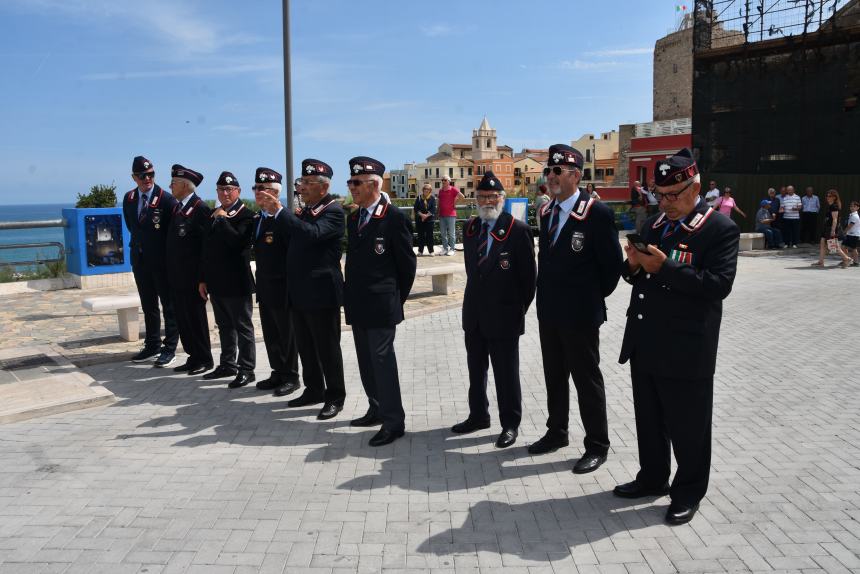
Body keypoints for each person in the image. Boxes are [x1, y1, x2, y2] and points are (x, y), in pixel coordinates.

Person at [614, 148, 739, 526]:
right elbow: (636, 277)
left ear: (695, 186)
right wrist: (633, 266)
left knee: (689, 427)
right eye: (660, 195)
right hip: (646, 340)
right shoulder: (653, 225)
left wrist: (663, 268)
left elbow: (718, 285)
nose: (665, 202)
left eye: (673, 194)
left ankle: (687, 492)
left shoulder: (719, 229)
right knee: (649, 421)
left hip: (687, 347)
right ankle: (652, 477)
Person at [530, 144, 622, 474]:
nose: (551, 177)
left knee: (587, 380)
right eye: (548, 171)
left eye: (558, 171)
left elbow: (612, 268)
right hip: (550, 312)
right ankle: (557, 432)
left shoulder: (596, 213)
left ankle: (597, 444)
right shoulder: (546, 211)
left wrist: (588, 299)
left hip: (581, 315)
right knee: (555, 377)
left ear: (576, 176)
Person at [452, 171, 536, 448]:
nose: (488, 201)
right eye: (482, 196)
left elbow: (528, 281)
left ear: (503, 198)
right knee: (476, 371)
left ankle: (510, 424)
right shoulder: (472, 228)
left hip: (504, 316)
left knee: (506, 375)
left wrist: (515, 310)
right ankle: (478, 416)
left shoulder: (518, 230)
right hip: (474, 315)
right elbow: (472, 271)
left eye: (493, 196)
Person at [260, 163, 347, 419]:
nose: (302, 186)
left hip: (321, 294)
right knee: (306, 347)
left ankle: (335, 396)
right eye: (302, 181)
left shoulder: (332, 211)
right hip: (298, 292)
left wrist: (281, 212)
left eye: (308, 182)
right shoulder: (306, 211)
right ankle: (313, 389)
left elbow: (312, 235)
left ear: (324, 186)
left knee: (327, 349)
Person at [344, 156, 417, 446]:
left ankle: (393, 422)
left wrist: (395, 299)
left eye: (356, 182)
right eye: (350, 182)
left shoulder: (394, 217)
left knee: (383, 363)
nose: (352, 187)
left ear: (374, 184)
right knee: (366, 362)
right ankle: (376, 408)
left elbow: (406, 266)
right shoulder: (355, 218)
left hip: (382, 305)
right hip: (358, 304)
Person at [200, 171, 256, 388]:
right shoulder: (214, 214)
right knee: (223, 326)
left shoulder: (246, 215)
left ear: (238, 192)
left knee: (243, 327)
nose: (225, 193)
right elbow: (206, 250)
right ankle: (227, 364)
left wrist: (223, 220)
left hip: (237, 282)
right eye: (221, 189)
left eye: (229, 189)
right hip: (217, 282)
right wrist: (203, 279)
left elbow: (238, 244)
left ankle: (247, 369)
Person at [122, 156, 179, 367]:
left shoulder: (165, 198)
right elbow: (132, 227)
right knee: (148, 305)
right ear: (134, 177)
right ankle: (152, 344)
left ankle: (170, 347)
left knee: (168, 305)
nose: (147, 179)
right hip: (140, 259)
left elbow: (170, 232)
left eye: (151, 174)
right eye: (142, 175)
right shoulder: (128, 198)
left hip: (161, 261)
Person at [252, 170, 301, 397]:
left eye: (263, 190)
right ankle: (278, 371)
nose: (258, 194)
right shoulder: (259, 219)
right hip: (264, 285)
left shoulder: (284, 219)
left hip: (282, 286)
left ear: (275, 194)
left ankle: (291, 376)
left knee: (286, 333)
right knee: (271, 332)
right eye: (256, 190)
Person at [165, 165, 213, 375]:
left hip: (193, 278)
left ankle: (204, 358)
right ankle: (193, 357)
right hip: (177, 276)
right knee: (183, 319)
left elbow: (205, 248)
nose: (170, 186)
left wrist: (203, 278)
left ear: (185, 185)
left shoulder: (200, 208)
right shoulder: (178, 208)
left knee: (196, 319)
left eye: (174, 183)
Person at [812, 189, 853, 268]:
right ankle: (821, 262)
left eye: (830, 196)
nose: (827, 197)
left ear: (834, 197)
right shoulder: (831, 206)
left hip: (830, 228)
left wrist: (833, 230)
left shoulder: (834, 206)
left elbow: (835, 219)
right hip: (827, 227)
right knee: (822, 243)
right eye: (827, 196)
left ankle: (847, 258)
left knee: (833, 246)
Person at [438, 175, 465, 255]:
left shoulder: (453, 189)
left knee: (451, 233)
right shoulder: (440, 190)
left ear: (449, 181)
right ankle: (445, 249)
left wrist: (455, 202)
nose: (443, 181)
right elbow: (439, 201)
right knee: (443, 233)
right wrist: (437, 211)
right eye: (442, 180)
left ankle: (452, 249)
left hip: (451, 214)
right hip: (442, 214)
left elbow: (462, 196)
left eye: (445, 180)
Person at [413, 184, 437, 256]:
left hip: (429, 220)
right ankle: (420, 251)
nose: (426, 190)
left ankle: (431, 251)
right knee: (421, 236)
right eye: (425, 189)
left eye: (428, 189)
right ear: (423, 190)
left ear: (430, 190)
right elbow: (416, 208)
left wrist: (426, 216)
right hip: (420, 220)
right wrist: (422, 215)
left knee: (430, 236)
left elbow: (433, 209)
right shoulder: (419, 198)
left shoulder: (432, 198)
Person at [843, 201, 860, 266]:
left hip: (854, 234)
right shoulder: (851, 215)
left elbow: (850, 225)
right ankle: (846, 259)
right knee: (843, 246)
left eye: (854, 206)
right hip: (849, 234)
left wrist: (844, 232)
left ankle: (856, 262)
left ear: (857, 208)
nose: (852, 207)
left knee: (853, 248)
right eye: (851, 206)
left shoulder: (855, 216)